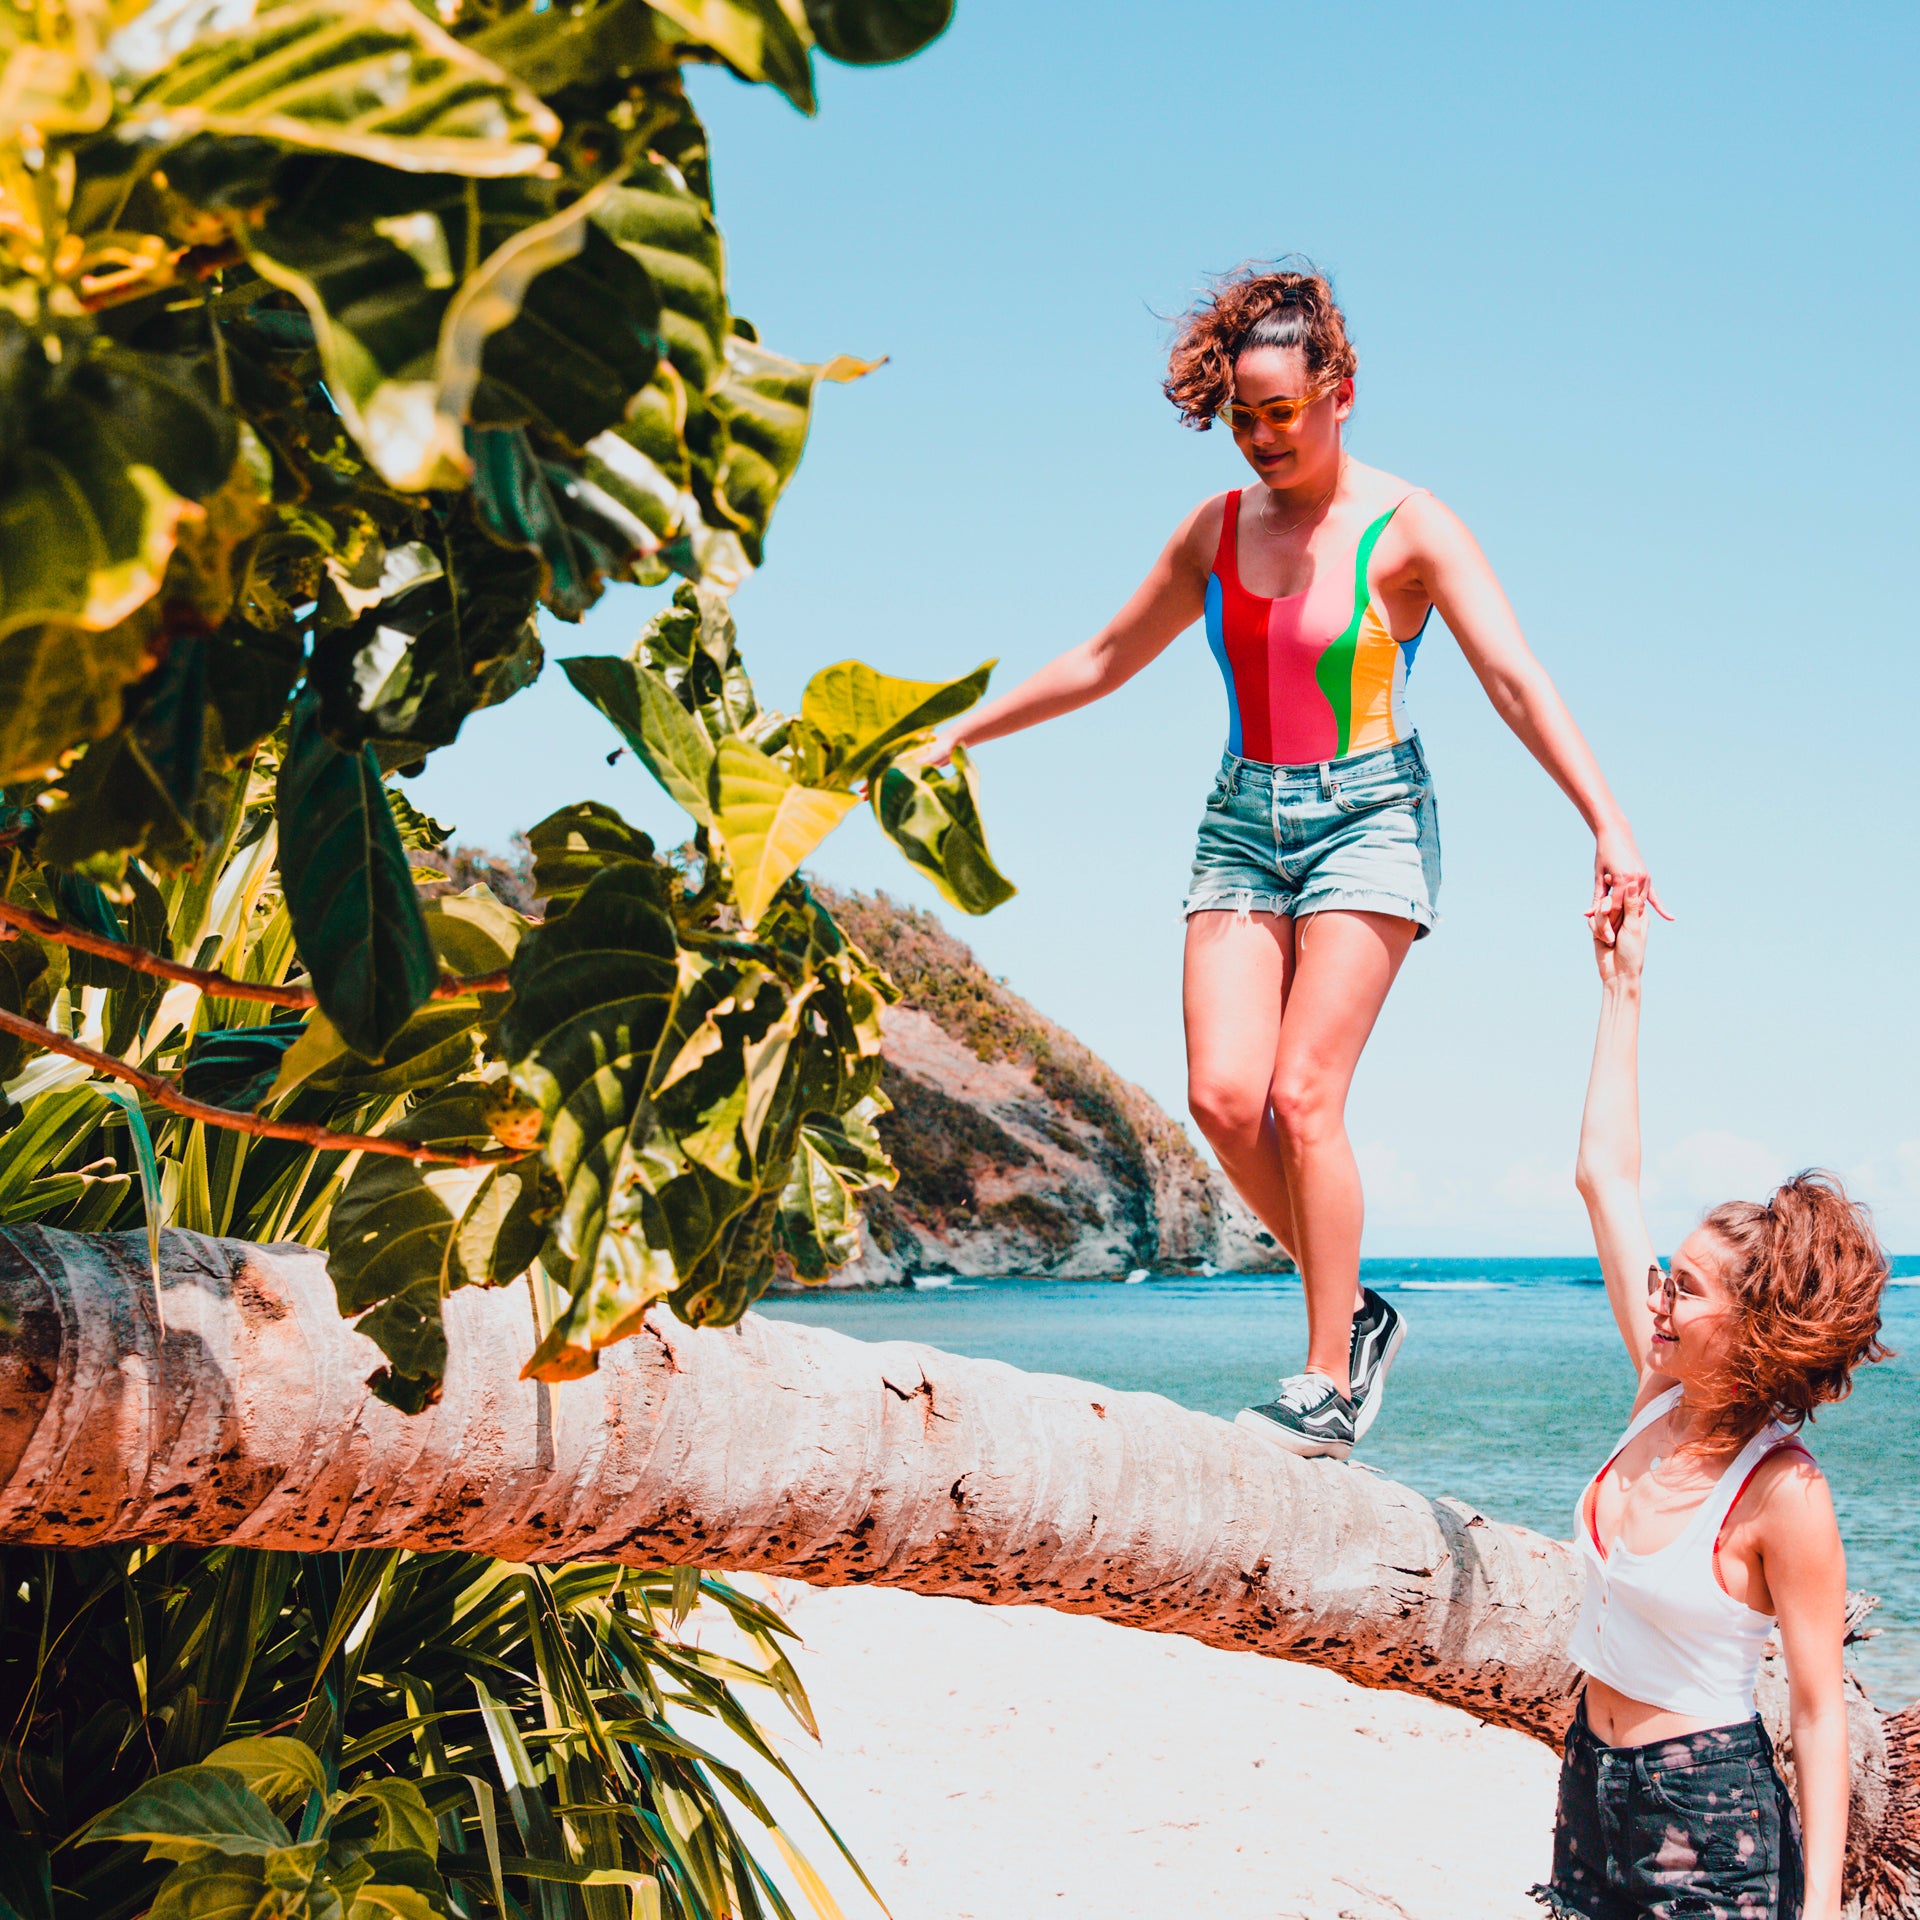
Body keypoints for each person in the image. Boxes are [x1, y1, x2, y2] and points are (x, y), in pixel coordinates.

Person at [935, 263, 1660, 1457]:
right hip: (1241, 816)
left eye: (1283, 412)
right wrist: (954, 731)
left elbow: (1514, 680)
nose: (1263, 439)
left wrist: (1607, 818)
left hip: (1371, 814)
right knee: (1224, 1100)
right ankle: (1361, 1310)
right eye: (1241, 420)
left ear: (1342, 391)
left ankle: (1328, 1377)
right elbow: (1105, 656)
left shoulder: (1411, 527)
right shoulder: (1214, 530)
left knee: (1304, 1093)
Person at [1539, 878, 1888, 1920]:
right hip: (1590, 1779)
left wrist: (1819, 1910)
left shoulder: (1785, 1493)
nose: (1657, 1296)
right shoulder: (1658, 1391)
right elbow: (1604, 1174)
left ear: (1749, 1324)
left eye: (1683, 1288)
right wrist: (1622, 990)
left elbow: (1821, 1715)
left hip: (1709, 1810)